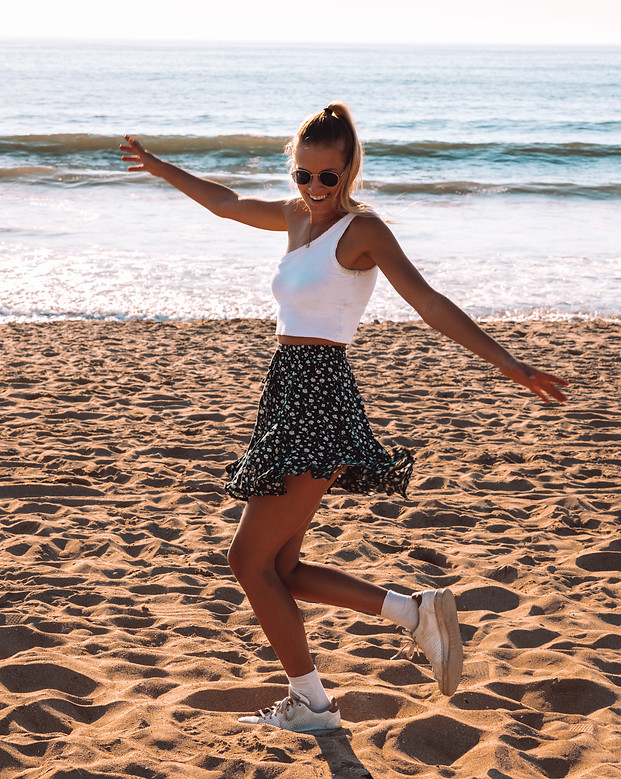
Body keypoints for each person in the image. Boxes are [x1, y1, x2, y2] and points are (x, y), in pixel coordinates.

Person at [119, 103, 568, 735]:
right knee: (281, 570)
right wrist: (161, 167)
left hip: (319, 396)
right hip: (285, 394)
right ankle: (414, 614)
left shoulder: (363, 232)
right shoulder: (294, 219)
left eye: (328, 177)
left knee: (248, 562)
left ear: (349, 171)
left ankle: (316, 705)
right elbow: (224, 201)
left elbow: (429, 301)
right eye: (304, 175)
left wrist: (511, 365)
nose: (315, 189)